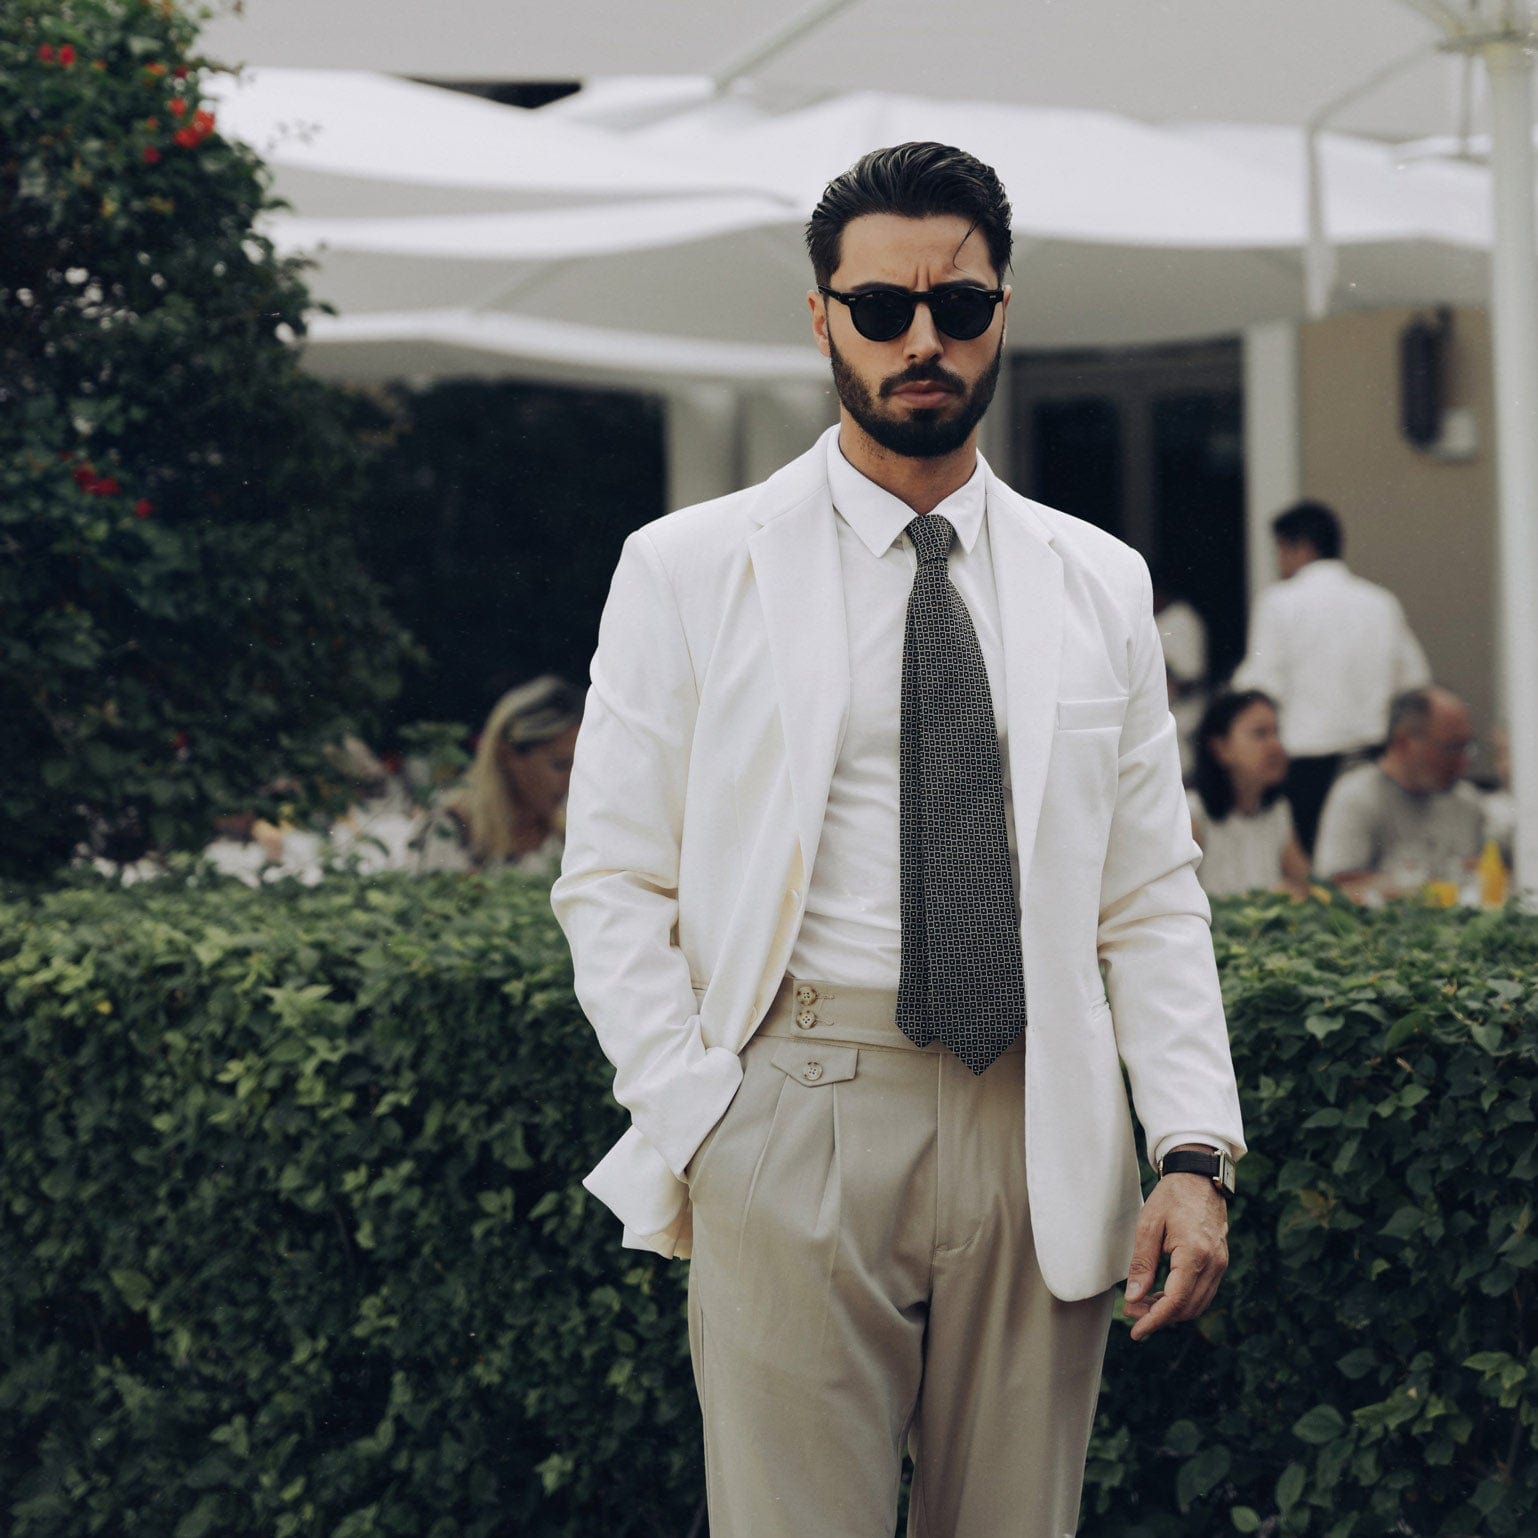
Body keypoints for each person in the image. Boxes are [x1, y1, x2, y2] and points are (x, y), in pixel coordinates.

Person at [552, 142, 1244, 1538]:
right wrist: (703, 1113)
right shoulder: (687, 566)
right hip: (793, 1103)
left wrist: (1190, 1146)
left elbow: (1149, 892)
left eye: (959, 305)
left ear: (1002, 309)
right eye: (880, 310)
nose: (921, 340)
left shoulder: (1096, 580)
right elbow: (612, 876)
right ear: (820, 317)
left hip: (1034, 1115)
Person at [1233, 500, 1430, 856]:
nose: (1279, 562)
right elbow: (1414, 682)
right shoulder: (1380, 602)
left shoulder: (1280, 602)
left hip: (1306, 764)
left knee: (1313, 871)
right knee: (1365, 865)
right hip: (1372, 757)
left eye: (1280, 550)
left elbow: (1261, 683)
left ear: (1301, 547)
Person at [1313, 684, 1485, 903]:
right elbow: (1335, 890)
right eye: (1451, 748)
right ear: (1405, 743)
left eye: (1466, 746)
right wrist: (1421, 892)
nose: (1462, 764)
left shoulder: (1465, 801)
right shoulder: (1358, 797)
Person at [413, 675, 582, 877]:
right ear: (508, 754)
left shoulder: (569, 836)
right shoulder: (451, 828)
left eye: (579, 767)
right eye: (560, 764)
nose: (572, 780)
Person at [1188, 690, 1310, 899]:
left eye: (1276, 733)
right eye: (1260, 734)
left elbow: (1307, 885)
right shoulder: (1194, 813)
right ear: (1221, 748)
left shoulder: (1277, 810)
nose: (1276, 746)